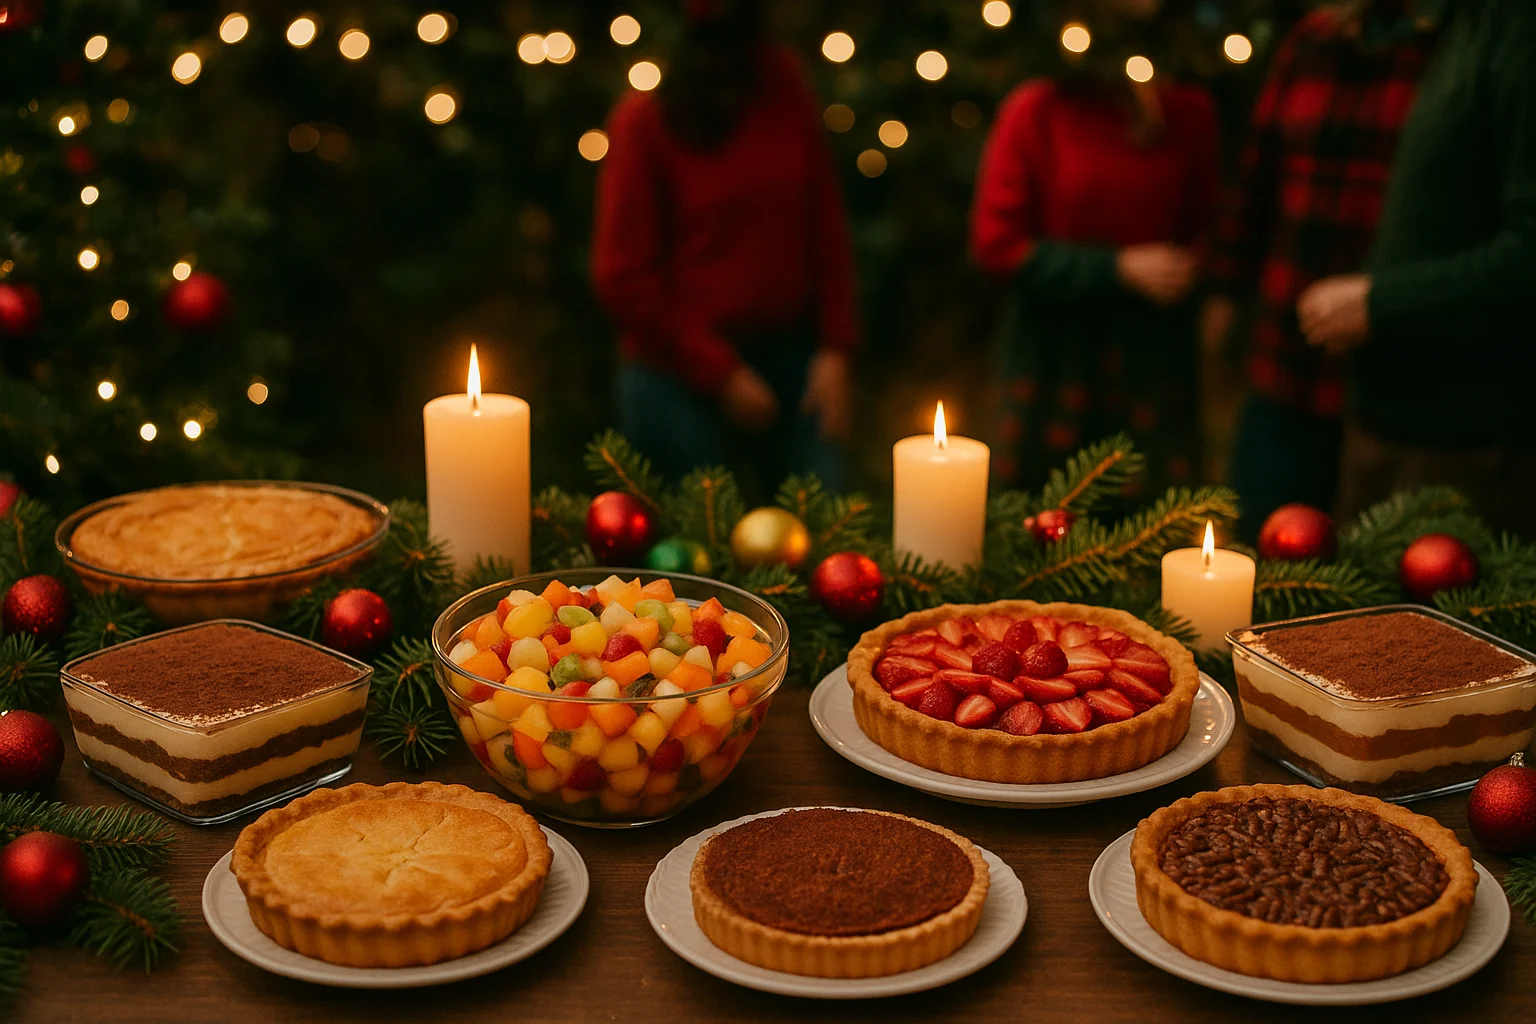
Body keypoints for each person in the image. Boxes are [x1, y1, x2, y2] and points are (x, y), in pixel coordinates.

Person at [591, 0, 857, 495]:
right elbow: (624, 279)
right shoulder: (645, 121)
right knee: (689, 552)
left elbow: (826, 226)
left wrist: (835, 348)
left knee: (823, 535)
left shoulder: (784, 89)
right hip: (675, 370)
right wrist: (720, 372)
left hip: (793, 357)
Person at [1298, 0, 1536, 532]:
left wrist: (1380, 304)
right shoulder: (1465, 25)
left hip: (1469, 447)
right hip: (1393, 424)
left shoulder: (1519, 31)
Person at [1205, 1, 1436, 541]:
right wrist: (1224, 290)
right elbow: (1256, 177)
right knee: (1262, 550)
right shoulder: (1312, 40)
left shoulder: (1450, 49)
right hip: (1284, 360)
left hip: (1396, 374)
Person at [970, 0, 1218, 491]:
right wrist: (1114, 270)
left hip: (1152, 361)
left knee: (1155, 529)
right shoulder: (1036, 110)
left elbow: (1209, 227)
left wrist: (1192, 274)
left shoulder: (1188, 111)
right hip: (1054, 359)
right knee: (1039, 521)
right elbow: (996, 245)